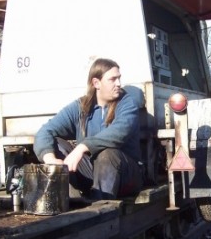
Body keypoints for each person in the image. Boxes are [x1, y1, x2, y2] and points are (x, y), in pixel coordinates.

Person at [33, 58, 143, 200]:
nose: (119, 84)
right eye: (113, 79)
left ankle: (102, 206)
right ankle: (72, 200)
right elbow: (45, 131)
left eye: (119, 78)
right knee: (56, 144)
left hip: (126, 176)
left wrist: (82, 147)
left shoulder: (127, 103)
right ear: (96, 83)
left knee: (107, 154)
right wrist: (50, 159)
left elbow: (119, 132)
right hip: (92, 172)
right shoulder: (81, 107)